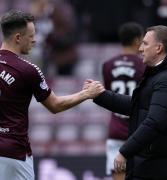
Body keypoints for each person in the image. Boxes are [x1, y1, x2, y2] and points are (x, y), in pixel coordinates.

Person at [0, 10, 104, 180]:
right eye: (31, 36)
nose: (34, 40)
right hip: (14, 154)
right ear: (18, 38)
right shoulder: (28, 70)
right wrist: (86, 94)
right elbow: (55, 105)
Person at [87, 25, 167, 179]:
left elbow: (155, 121)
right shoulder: (160, 76)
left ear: (158, 48)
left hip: (162, 170)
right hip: (153, 166)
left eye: (145, 44)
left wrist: (125, 151)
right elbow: (138, 106)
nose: (140, 48)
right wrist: (100, 95)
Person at [102, 22, 145, 180]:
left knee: (118, 174)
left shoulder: (107, 65)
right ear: (137, 40)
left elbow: (109, 97)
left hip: (116, 129)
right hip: (140, 130)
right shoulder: (145, 65)